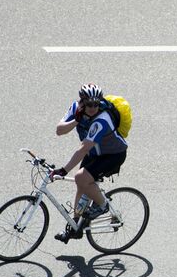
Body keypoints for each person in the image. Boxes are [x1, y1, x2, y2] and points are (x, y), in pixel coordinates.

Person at [52, 83, 128, 243]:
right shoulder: (75, 108)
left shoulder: (102, 120)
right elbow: (59, 130)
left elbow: (83, 149)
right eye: (89, 104)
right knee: (81, 184)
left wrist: (64, 170)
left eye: (96, 103)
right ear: (82, 102)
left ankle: (102, 206)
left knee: (81, 178)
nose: (93, 107)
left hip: (113, 155)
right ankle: (75, 227)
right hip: (95, 152)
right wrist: (76, 121)